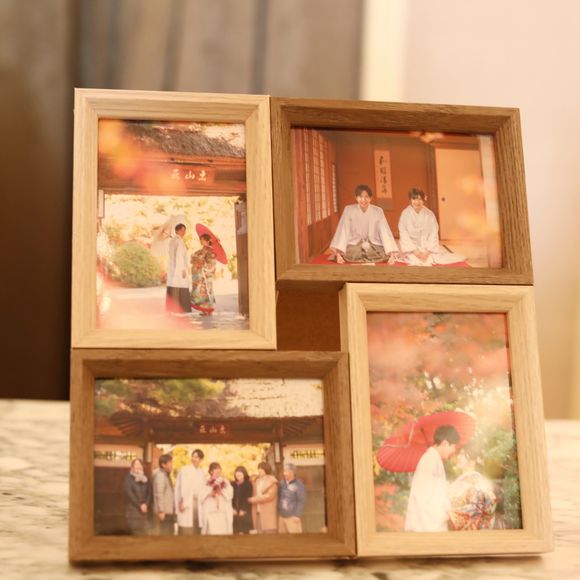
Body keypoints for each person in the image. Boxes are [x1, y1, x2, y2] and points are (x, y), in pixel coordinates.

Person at [404, 424, 460, 532]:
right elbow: (423, 498)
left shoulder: (434, 459)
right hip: (426, 525)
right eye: (453, 446)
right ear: (445, 443)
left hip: (429, 523)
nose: (454, 450)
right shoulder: (429, 461)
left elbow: (436, 491)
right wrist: (445, 513)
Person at [328, 184, 398, 263]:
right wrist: (338, 254)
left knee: (382, 252)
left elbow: (384, 231)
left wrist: (391, 253)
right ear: (356, 197)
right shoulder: (349, 210)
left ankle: (362, 257)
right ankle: (365, 257)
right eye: (360, 197)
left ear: (370, 198)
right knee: (350, 252)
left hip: (372, 244)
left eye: (366, 197)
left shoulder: (378, 211)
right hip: (355, 244)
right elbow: (343, 231)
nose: (363, 200)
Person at [398, 187, 465, 266]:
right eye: (414, 199)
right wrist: (414, 251)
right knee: (415, 261)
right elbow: (404, 234)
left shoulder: (429, 214)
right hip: (410, 247)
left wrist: (427, 251)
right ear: (410, 200)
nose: (417, 202)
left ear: (423, 200)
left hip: (426, 246)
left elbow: (433, 233)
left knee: (429, 260)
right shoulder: (405, 214)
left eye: (420, 199)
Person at [174, 448, 206, 535]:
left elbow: (203, 489)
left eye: (196, 457)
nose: (194, 459)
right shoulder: (184, 470)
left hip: (198, 503)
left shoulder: (202, 472)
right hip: (186, 502)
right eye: (193, 456)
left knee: (197, 528)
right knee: (186, 529)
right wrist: (181, 502)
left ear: (201, 459)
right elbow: (179, 487)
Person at [199, 462, 233, 535]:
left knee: (222, 531)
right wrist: (210, 493)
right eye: (215, 469)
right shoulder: (206, 482)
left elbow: (230, 494)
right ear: (211, 471)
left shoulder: (225, 481)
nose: (218, 470)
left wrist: (222, 492)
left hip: (222, 510)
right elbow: (201, 495)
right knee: (212, 532)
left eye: (219, 468)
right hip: (210, 510)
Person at [166, 223, 191, 314]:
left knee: (174, 285)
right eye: (182, 230)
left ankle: (172, 308)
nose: (184, 232)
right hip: (179, 267)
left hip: (172, 267)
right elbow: (179, 256)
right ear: (177, 230)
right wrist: (183, 269)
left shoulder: (172, 240)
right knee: (180, 284)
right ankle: (180, 308)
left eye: (185, 230)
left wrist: (185, 248)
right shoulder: (179, 241)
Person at [190, 232, 217, 316]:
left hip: (205, 274)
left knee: (206, 292)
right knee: (202, 293)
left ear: (207, 240)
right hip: (200, 274)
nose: (201, 241)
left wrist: (202, 265)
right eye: (200, 240)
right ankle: (205, 310)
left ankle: (208, 310)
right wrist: (195, 259)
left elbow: (211, 264)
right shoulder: (203, 250)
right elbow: (194, 257)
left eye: (202, 240)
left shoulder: (210, 251)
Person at [248, 461, 278, 534]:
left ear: (266, 469)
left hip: (268, 512)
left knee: (269, 534)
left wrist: (254, 499)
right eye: (259, 468)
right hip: (258, 512)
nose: (259, 470)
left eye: (261, 469)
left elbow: (269, 496)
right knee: (259, 534)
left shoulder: (272, 481)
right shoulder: (257, 481)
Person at [124, 458, 152, 535]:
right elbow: (130, 494)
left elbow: (150, 493)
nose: (138, 466)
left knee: (145, 533)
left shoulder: (146, 479)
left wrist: (146, 504)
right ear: (132, 467)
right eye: (136, 464)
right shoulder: (128, 479)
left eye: (140, 464)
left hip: (145, 511)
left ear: (142, 467)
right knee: (135, 533)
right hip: (133, 511)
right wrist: (140, 505)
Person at [278, 462, 307, 534]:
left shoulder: (298, 485)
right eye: (284, 471)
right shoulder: (282, 483)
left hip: (292, 517)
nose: (284, 473)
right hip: (282, 517)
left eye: (286, 471)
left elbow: (301, 500)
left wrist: (297, 515)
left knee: (295, 539)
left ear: (292, 472)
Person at [152, 453, 175, 535]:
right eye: (170, 463)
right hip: (164, 512)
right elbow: (159, 494)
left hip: (168, 511)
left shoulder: (166, 475)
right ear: (163, 465)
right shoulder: (160, 476)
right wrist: (161, 510)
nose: (172, 465)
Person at [231, 466, 253, 534]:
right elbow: (231, 498)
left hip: (245, 511)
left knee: (245, 532)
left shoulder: (248, 484)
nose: (238, 474)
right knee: (235, 531)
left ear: (244, 473)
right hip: (234, 511)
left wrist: (243, 509)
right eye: (237, 472)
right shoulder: (232, 484)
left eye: (240, 472)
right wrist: (232, 508)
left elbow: (248, 497)